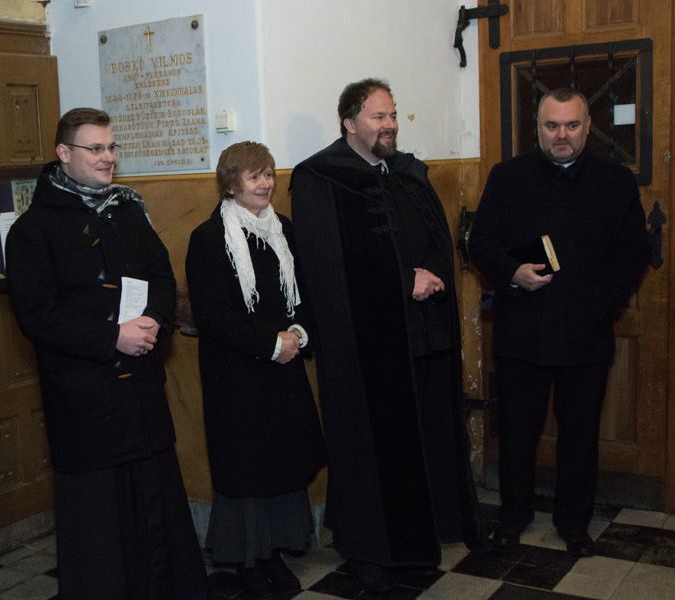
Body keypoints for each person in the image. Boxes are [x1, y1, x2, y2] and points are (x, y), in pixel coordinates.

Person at [289, 78, 484, 590]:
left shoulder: (406, 172)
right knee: (371, 448)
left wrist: (432, 272)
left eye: (392, 114)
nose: (390, 124)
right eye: (378, 116)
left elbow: (433, 236)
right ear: (349, 122)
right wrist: (403, 281)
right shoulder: (320, 177)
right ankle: (371, 549)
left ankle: (422, 536)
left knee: (423, 433)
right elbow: (328, 267)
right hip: (364, 345)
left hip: (421, 332)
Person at [4, 107, 207, 600]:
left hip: (141, 393)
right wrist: (111, 336)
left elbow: (160, 275)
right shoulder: (32, 229)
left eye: (112, 147)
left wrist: (155, 320)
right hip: (85, 402)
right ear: (63, 153)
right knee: (99, 531)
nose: (108, 157)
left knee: (155, 511)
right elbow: (37, 316)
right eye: (95, 148)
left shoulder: (127, 210)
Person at [469, 87, 650, 557]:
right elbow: (480, 242)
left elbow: (633, 253)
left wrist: (598, 302)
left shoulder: (615, 181)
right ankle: (514, 516)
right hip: (521, 330)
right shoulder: (507, 177)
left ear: (588, 127)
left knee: (580, 436)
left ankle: (574, 522)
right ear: (537, 128)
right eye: (552, 125)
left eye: (571, 125)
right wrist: (513, 272)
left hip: (586, 332)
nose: (562, 135)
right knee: (517, 432)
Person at [186, 142, 326, 599]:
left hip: (283, 370)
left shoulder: (282, 229)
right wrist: (270, 344)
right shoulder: (210, 238)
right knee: (246, 470)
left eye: (269, 174)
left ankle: (274, 554)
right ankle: (248, 562)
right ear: (231, 184)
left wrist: (298, 334)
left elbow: (303, 294)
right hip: (237, 376)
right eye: (254, 176)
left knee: (282, 463)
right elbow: (214, 315)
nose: (265, 183)